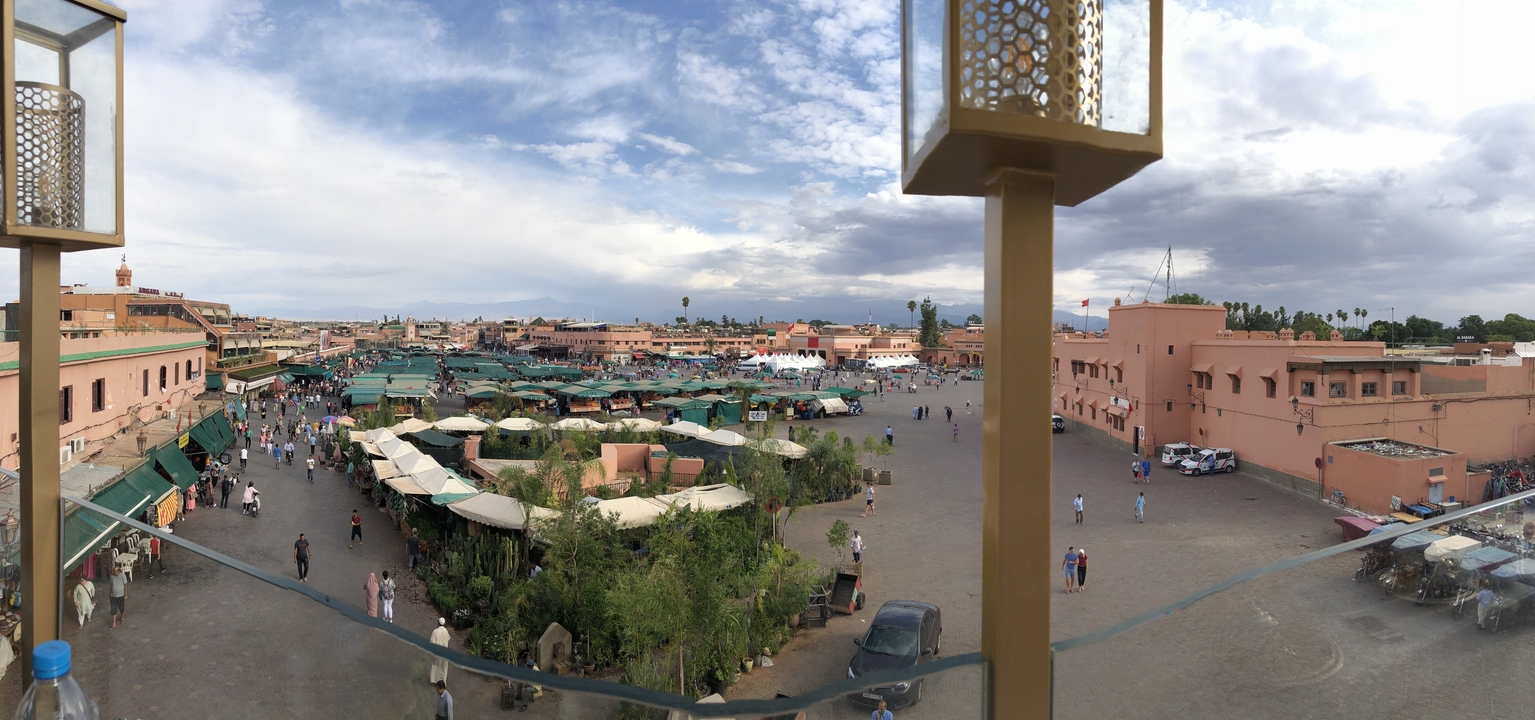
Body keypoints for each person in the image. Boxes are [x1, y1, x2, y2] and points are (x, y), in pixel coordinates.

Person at [430, 618, 451, 684]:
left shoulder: (435, 631)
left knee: (435, 665)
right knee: (444, 667)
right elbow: (447, 639)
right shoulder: (446, 631)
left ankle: (433, 680)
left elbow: (432, 643)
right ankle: (442, 681)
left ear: (438, 623)